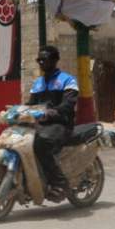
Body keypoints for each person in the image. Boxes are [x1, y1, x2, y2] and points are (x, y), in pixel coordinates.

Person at [26, 45, 79, 202]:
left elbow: (69, 104)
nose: (41, 62)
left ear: (55, 60)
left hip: (60, 124)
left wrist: (54, 111)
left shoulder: (67, 80)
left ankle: (60, 183)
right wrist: (16, 111)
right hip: (42, 124)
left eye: (44, 59)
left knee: (41, 145)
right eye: (39, 60)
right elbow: (30, 104)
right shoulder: (38, 83)